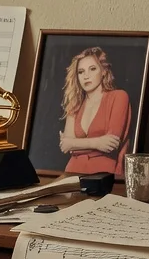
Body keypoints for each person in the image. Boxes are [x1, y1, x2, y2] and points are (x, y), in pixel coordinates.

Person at [56, 47, 131, 178]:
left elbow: (111, 145)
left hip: (104, 173)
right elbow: (66, 146)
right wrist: (98, 143)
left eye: (92, 69)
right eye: (81, 72)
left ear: (103, 71)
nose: (86, 76)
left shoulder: (119, 97)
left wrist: (73, 143)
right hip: (72, 171)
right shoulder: (75, 105)